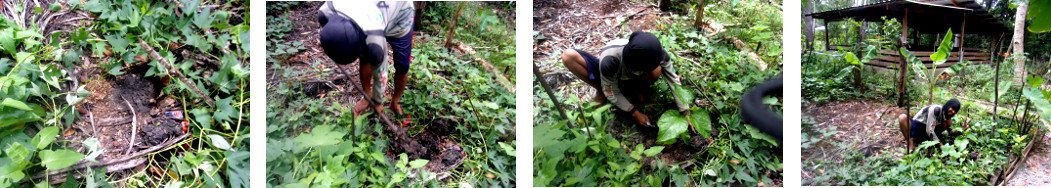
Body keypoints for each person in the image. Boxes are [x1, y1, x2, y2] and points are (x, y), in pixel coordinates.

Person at [560, 31, 689, 126]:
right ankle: (601, 89)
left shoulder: (656, 54)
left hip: (631, 79)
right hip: (612, 76)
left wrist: (685, 110)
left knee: (657, 71)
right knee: (568, 56)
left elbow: (674, 80)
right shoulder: (610, 62)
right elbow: (613, 92)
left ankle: (637, 91)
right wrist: (635, 112)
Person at [317, 1, 414, 116]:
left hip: (399, 16)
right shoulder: (325, 12)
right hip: (369, 15)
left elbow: (381, 74)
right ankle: (367, 96)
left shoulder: (374, 40)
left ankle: (396, 100)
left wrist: (377, 101)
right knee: (366, 57)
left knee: (402, 65)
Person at [897, 98, 965, 152]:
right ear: (948, 106)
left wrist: (960, 131)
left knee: (947, 123)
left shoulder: (948, 117)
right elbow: (929, 130)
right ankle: (910, 144)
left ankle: (924, 140)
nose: (953, 112)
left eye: (955, 110)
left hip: (926, 131)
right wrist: (939, 144)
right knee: (902, 118)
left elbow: (951, 132)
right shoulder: (936, 110)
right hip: (919, 125)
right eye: (952, 108)